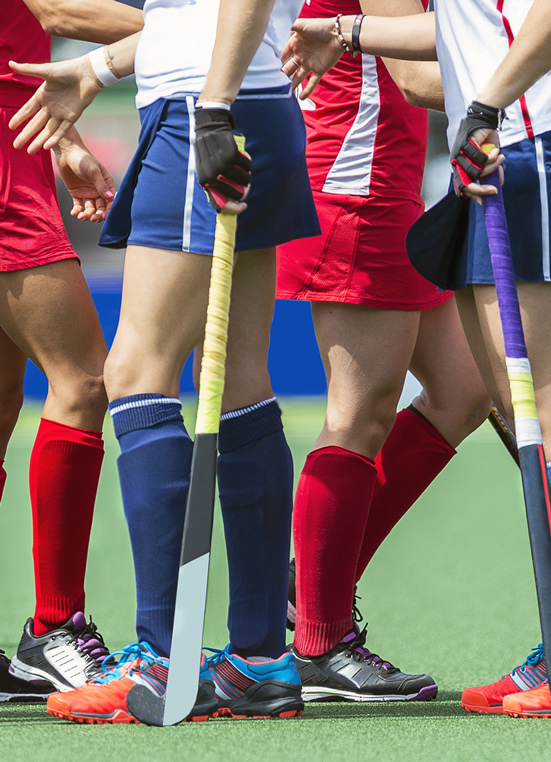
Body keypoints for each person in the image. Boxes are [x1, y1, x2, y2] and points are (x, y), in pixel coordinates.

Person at [283, 0, 551, 719]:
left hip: (514, 145)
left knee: (534, 400)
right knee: (492, 396)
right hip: (456, 158)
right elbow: (448, 45)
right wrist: (353, 34)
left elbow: (546, 13)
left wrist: (485, 92)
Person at [10, 0, 319, 724]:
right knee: (239, 376)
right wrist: (99, 64)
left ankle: (161, 657)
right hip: (250, 100)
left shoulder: (206, 98)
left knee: (136, 373)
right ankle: (259, 660)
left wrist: (210, 109)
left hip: (201, 109)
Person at [276, 0, 490, 703]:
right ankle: (321, 639)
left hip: (380, 187)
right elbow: (412, 74)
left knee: (463, 390)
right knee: (358, 413)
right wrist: (530, 76)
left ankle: (310, 583)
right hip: (354, 188)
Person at [0, 0, 142, 700]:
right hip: (4, 190)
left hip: (16, 157)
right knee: (84, 379)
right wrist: (215, 37)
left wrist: (60, 139)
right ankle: (54, 632)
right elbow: (58, 8)